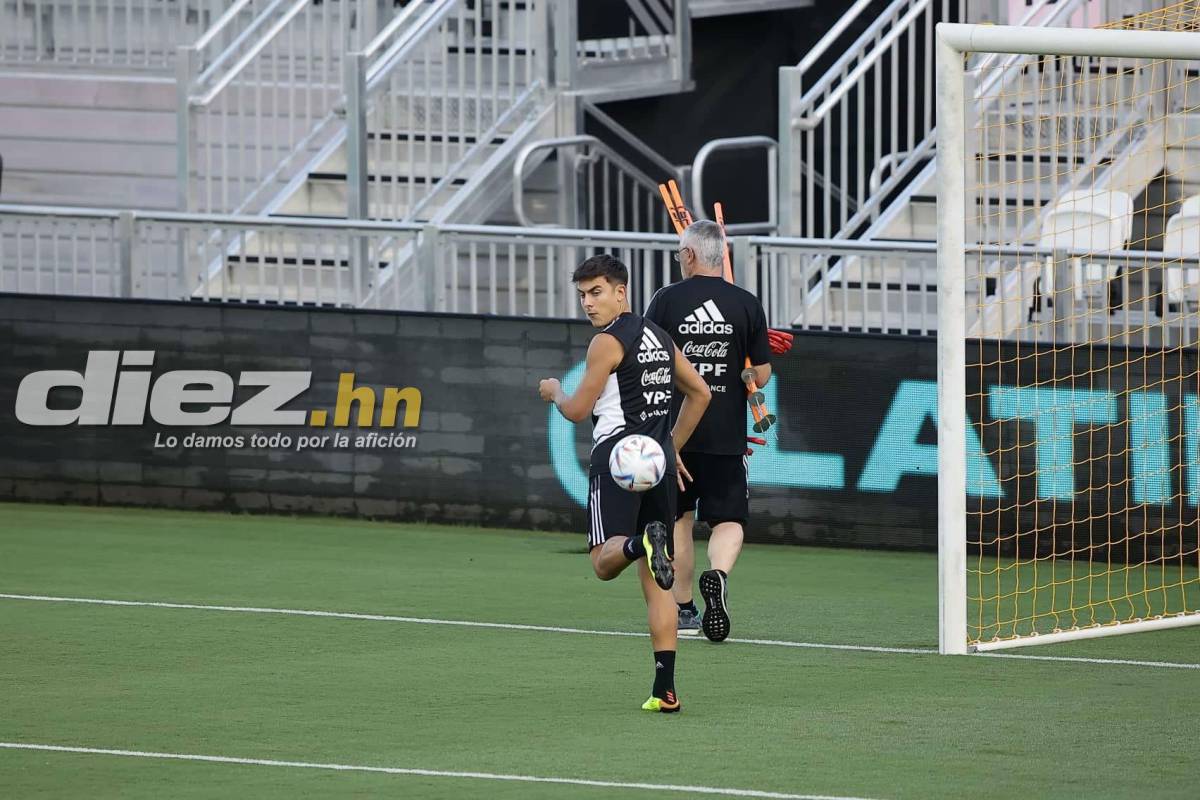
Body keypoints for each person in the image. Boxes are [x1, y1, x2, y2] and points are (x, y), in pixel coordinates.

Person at [539, 254, 710, 713]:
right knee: (659, 587)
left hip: (617, 461)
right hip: (655, 466)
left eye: (596, 292)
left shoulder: (606, 343)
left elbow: (577, 411)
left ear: (621, 291)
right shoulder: (659, 335)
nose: (588, 303)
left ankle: (639, 543)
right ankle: (666, 690)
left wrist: (554, 390)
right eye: (582, 295)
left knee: (602, 562)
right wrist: (672, 445)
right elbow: (701, 393)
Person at [644, 220, 772, 643]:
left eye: (682, 253)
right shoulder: (747, 304)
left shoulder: (665, 300)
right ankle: (716, 574)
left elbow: (647, 361)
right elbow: (761, 374)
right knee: (730, 519)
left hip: (675, 432)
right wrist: (746, 369)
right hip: (725, 434)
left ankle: (683, 610)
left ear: (691, 255)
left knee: (678, 518)